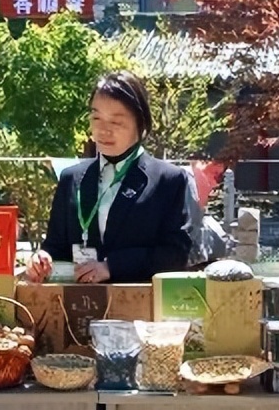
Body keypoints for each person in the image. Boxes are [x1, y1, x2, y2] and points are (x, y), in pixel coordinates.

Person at [26, 72, 192, 284]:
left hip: (138, 306)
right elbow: (56, 247)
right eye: (96, 118)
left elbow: (176, 254)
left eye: (116, 122)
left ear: (140, 125)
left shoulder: (168, 180)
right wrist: (42, 260)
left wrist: (111, 266)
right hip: (78, 304)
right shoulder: (72, 178)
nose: (103, 130)